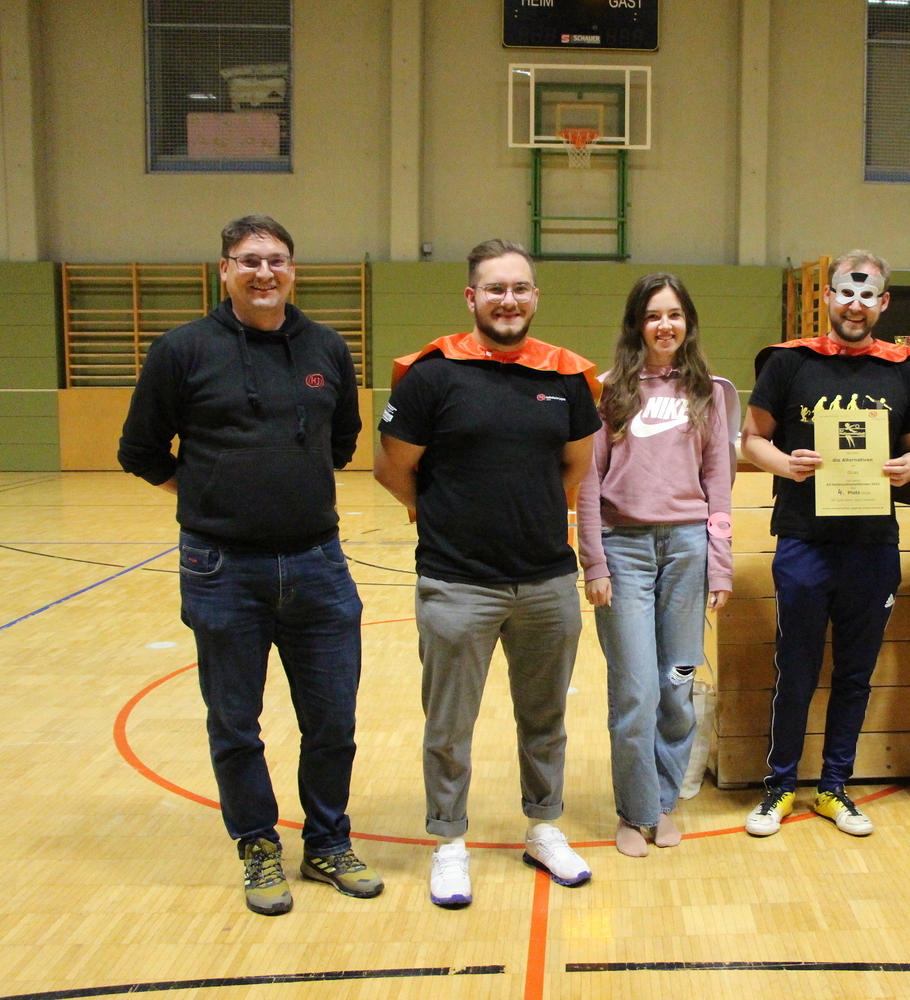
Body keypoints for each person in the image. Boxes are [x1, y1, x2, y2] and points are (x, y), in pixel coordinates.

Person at [117, 214, 377, 916]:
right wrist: (208, 494)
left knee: (333, 721)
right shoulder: (181, 350)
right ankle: (258, 845)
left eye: (277, 260)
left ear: (293, 270)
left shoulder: (327, 346)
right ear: (225, 270)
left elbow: (342, 440)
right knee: (236, 723)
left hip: (319, 564)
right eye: (250, 260)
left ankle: (328, 843)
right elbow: (140, 451)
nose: (265, 272)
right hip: (221, 568)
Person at [374, 239, 602, 907]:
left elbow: (575, 467)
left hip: (547, 582)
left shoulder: (565, 377)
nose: (509, 299)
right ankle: (449, 841)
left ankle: (544, 827)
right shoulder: (432, 375)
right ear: (472, 297)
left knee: (545, 718)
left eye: (520, 288)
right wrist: (449, 517)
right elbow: (393, 469)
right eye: (495, 288)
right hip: (457, 583)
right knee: (449, 725)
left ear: (535, 297)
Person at [739, 249, 910, 838]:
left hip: (873, 545)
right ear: (827, 297)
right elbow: (752, 440)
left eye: (867, 295)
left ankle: (833, 786)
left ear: (883, 302)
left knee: (854, 672)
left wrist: (908, 467)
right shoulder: (789, 362)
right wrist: (786, 465)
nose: (855, 305)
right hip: (805, 542)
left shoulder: (904, 369)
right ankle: (779, 786)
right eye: (846, 293)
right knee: (796, 668)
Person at [576, 273, 734, 858]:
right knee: (636, 691)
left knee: (676, 688)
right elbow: (587, 481)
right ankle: (634, 811)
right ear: (636, 325)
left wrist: (720, 563)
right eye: (652, 316)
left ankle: (662, 802)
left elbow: (718, 481)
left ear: (688, 323)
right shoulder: (608, 390)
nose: (664, 325)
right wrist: (594, 561)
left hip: (688, 549)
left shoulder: (709, 392)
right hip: (625, 550)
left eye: (674, 315)